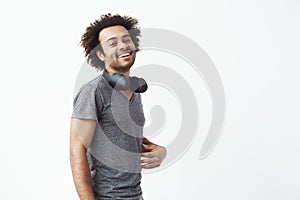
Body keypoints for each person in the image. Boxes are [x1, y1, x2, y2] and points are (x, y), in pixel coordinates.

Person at [70, 13, 167, 200]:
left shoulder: (134, 90)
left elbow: (125, 136)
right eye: (112, 43)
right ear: (100, 54)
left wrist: (160, 150)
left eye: (126, 39)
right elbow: (76, 152)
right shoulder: (93, 92)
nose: (123, 45)